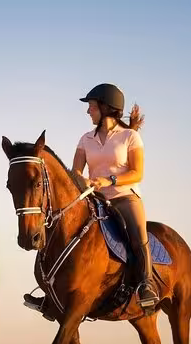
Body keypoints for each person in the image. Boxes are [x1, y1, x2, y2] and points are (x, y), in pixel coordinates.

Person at [24, 83, 160, 313]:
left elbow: (137, 172)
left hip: (124, 197)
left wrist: (110, 180)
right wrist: (81, 181)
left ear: (107, 108)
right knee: (59, 227)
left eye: (92, 107)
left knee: (137, 234)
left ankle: (146, 285)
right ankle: (51, 293)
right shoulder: (86, 139)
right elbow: (75, 172)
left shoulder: (130, 137)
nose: (88, 112)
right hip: (94, 198)